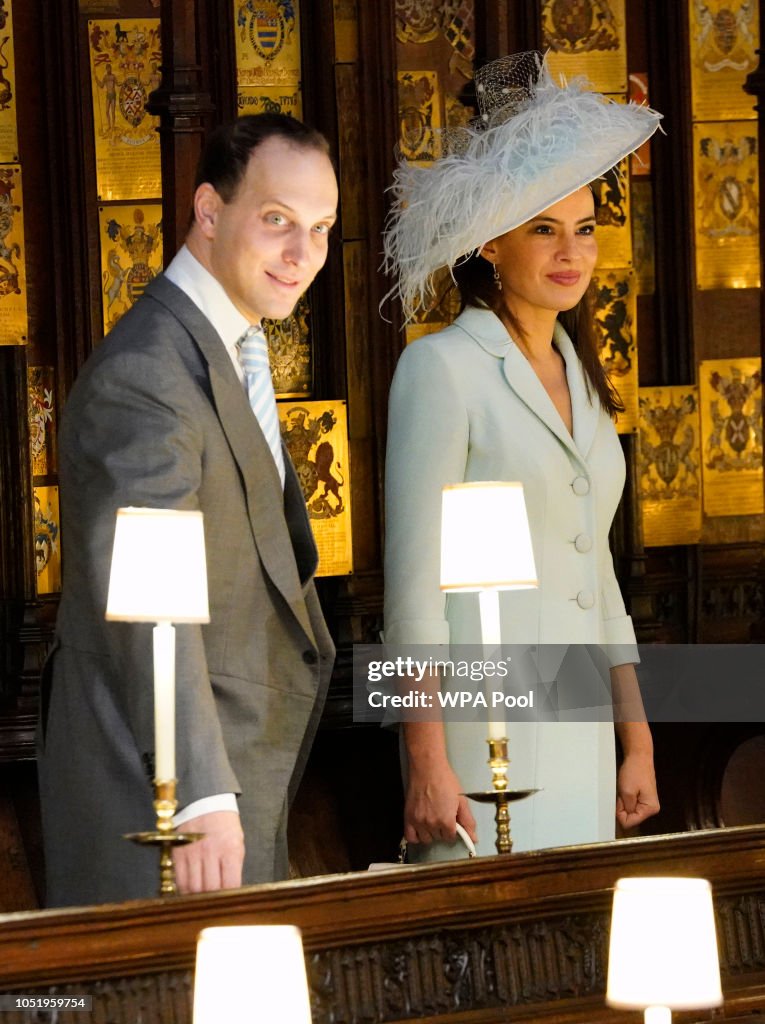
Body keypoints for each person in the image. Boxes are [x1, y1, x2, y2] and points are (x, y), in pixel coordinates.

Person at [37, 114, 338, 905]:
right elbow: (144, 608)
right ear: (209, 212)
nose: (301, 255)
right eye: (277, 221)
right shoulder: (147, 375)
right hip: (163, 804)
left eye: (320, 228)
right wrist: (200, 793)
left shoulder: (231, 348)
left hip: (237, 784)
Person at [383, 52, 661, 860]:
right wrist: (426, 760)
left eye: (583, 229)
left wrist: (634, 738)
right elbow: (413, 595)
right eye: (542, 228)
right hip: (482, 733)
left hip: (578, 731)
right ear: (489, 247)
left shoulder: (580, 373)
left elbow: (596, 577)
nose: (568, 251)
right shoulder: (440, 369)